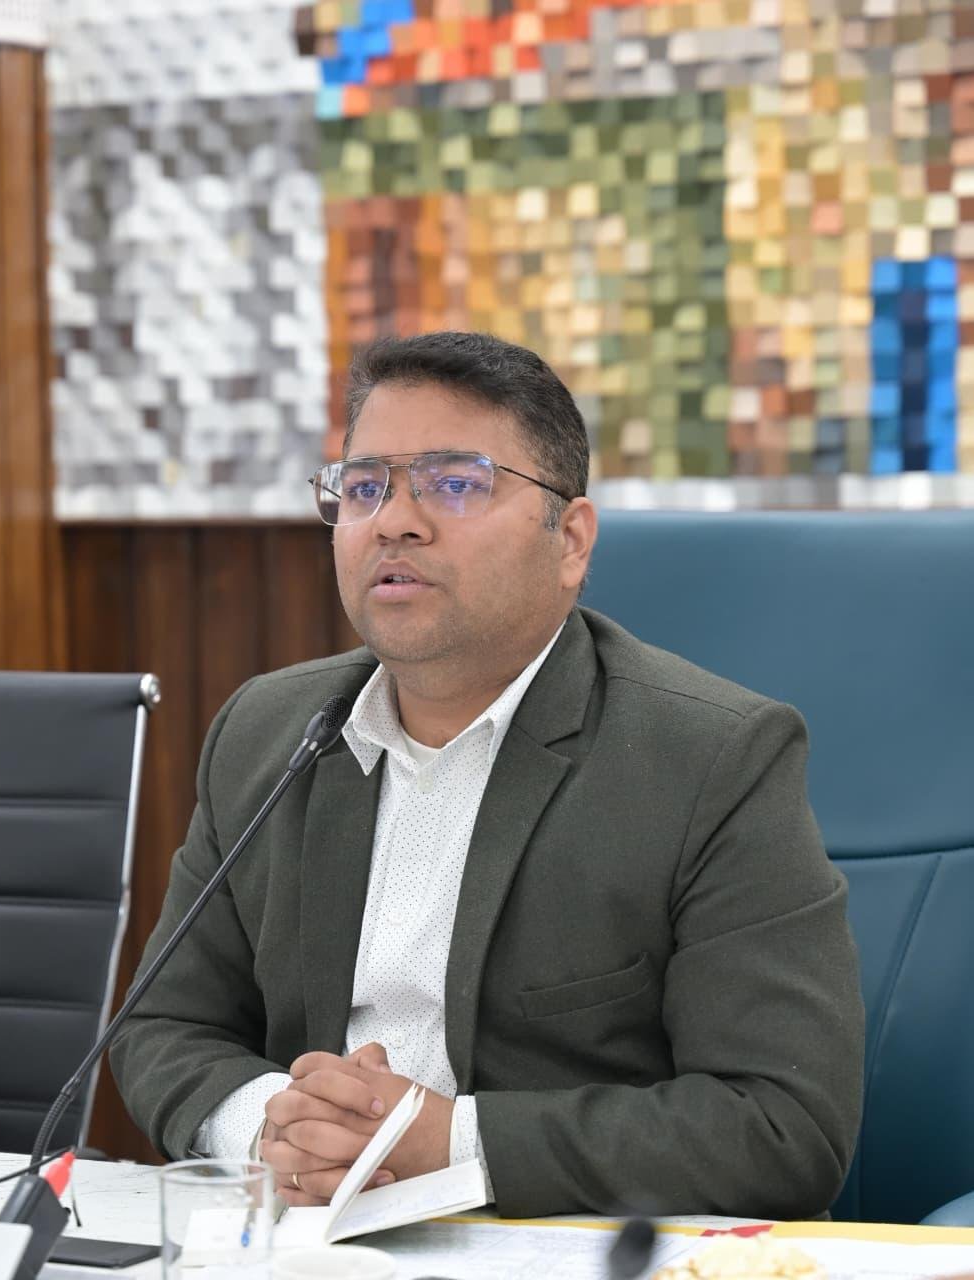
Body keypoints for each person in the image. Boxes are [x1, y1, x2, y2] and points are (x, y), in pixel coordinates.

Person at [111, 331, 864, 1220]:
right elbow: (164, 1026)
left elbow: (781, 1127)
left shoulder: (712, 757)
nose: (394, 521)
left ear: (569, 540)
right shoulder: (268, 731)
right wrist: (274, 1129)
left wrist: (446, 1144)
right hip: (312, 1239)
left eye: (454, 483)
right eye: (364, 487)